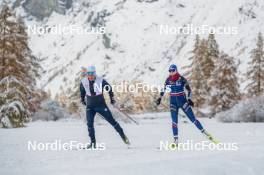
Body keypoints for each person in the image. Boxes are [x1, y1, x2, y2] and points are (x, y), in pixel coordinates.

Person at [156, 64, 216, 146]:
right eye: (170, 71)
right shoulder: (168, 80)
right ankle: (176, 141)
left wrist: (189, 99)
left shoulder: (182, 79)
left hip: (183, 102)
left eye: (172, 71)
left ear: (176, 70)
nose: (171, 72)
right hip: (173, 103)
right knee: (174, 122)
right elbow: (164, 89)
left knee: (193, 119)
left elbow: (189, 90)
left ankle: (205, 133)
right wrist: (160, 98)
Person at [80, 65, 130, 148]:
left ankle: (123, 136)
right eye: (88, 73)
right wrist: (82, 100)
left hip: (101, 106)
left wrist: (112, 100)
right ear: (86, 74)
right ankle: (93, 143)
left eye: (92, 73)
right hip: (90, 107)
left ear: (95, 73)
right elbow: (82, 92)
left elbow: (109, 89)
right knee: (89, 124)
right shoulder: (83, 81)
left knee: (112, 122)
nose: (90, 75)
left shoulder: (101, 81)